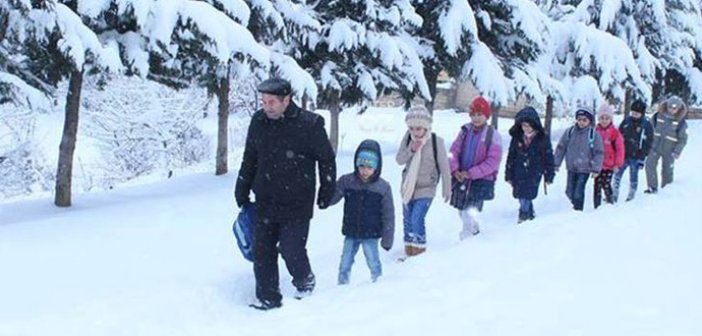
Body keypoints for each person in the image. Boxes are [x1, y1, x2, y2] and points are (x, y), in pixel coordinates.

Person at [234, 78, 336, 310]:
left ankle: (304, 279)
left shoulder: (310, 124)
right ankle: (268, 297)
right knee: (263, 251)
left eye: (271, 102)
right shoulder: (258, 121)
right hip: (265, 199)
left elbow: (326, 159)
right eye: (264, 101)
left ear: (286, 100)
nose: (266, 106)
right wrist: (242, 186)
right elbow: (250, 157)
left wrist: (327, 188)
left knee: (291, 248)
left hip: (297, 202)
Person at [329, 140, 394, 284]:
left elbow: (388, 214)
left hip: (371, 233)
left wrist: (387, 238)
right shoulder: (347, 181)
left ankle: (378, 281)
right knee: (345, 262)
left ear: (376, 168)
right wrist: (325, 194)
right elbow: (333, 197)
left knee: (373, 260)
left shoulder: (382, 187)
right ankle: (342, 285)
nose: (365, 171)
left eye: (369, 167)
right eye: (362, 166)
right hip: (351, 231)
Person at [396, 106, 451, 257]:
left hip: (427, 188)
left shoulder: (435, 142)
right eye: (411, 128)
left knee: (417, 217)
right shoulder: (408, 138)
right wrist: (411, 150)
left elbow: (445, 167)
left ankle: (419, 250)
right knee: (407, 219)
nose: (415, 132)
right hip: (408, 187)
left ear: (426, 127)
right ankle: (409, 248)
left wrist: (447, 187)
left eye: (418, 128)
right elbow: (399, 160)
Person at [448, 96, 502, 238]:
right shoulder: (465, 131)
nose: (476, 118)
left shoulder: (493, 135)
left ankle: (467, 237)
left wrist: (472, 173)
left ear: (486, 116)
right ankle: (473, 227)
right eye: (474, 114)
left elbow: (492, 162)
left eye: (480, 115)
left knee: (469, 211)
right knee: (461, 210)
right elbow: (453, 151)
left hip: (480, 180)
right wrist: (455, 169)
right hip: (462, 178)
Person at [504, 106, 555, 223]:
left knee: (528, 194)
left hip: (534, 172)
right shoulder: (517, 138)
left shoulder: (542, 138)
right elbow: (511, 156)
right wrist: (508, 174)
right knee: (521, 194)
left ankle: (523, 214)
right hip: (519, 171)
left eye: (528, 125)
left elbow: (548, 158)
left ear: (534, 125)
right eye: (523, 125)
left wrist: (549, 175)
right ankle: (529, 212)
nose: (525, 128)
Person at [554, 107, 604, 211]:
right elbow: (561, 147)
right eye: (579, 119)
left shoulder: (593, 135)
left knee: (579, 191)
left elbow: (598, 152)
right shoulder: (570, 132)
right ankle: (571, 208)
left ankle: (577, 211)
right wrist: (556, 163)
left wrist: (596, 168)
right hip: (571, 167)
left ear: (589, 121)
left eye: (584, 120)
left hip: (584, 168)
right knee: (569, 191)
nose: (581, 122)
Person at [644, 95, 689, 193]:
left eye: (675, 108)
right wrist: (647, 143)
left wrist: (677, 151)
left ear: (679, 108)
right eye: (670, 107)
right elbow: (649, 129)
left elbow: (683, 139)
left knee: (667, 170)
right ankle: (652, 187)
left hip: (670, 150)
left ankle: (667, 190)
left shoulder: (681, 123)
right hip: (655, 147)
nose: (672, 110)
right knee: (649, 165)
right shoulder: (657, 116)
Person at [612, 99, 653, 202]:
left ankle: (632, 193)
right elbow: (618, 135)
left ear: (642, 113)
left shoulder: (646, 125)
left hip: (637, 155)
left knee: (633, 175)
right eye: (633, 112)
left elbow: (648, 142)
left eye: (637, 113)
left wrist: (642, 157)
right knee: (617, 174)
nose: (634, 114)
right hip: (623, 154)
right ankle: (614, 193)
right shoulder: (627, 121)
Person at [593, 104, 624, 208]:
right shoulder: (595, 131)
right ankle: (596, 206)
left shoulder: (614, 133)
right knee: (597, 185)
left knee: (606, 183)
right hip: (598, 164)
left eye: (607, 118)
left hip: (610, 165)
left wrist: (617, 164)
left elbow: (620, 149)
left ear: (611, 119)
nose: (604, 121)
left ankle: (610, 202)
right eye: (602, 118)